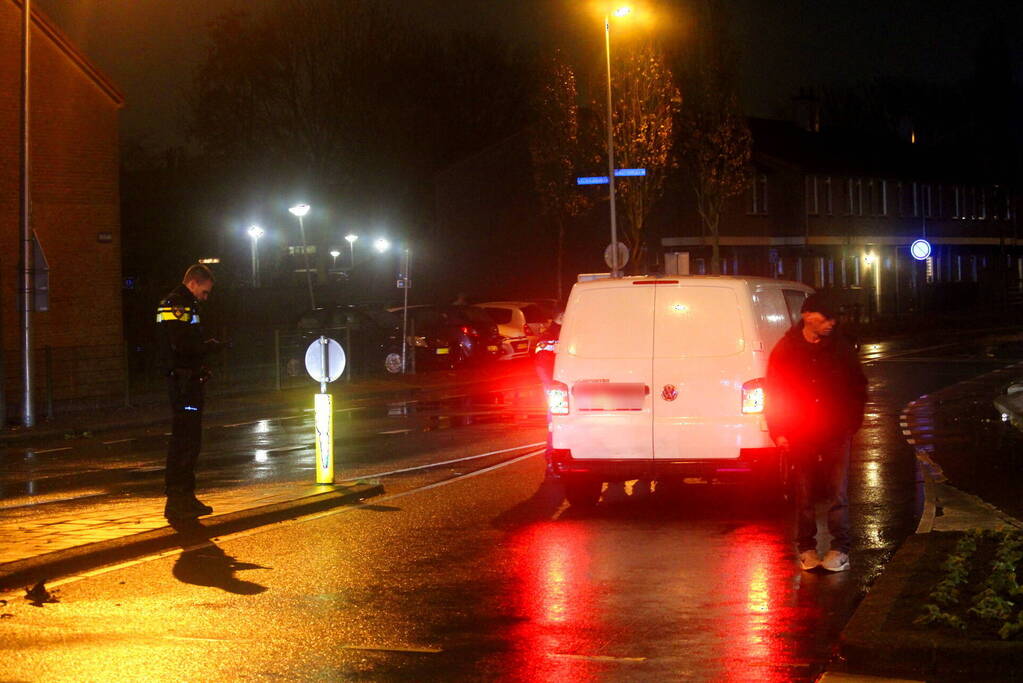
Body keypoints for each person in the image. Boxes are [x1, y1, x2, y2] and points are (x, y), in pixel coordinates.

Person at [765, 292, 867, 572]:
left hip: (835, 430)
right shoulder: (787, 349)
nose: (831, 323)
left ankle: (840, 549)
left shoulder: (841, 348)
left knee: (837, 493)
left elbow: (858, 387)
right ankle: (807, 548)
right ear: (807, 316)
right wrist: (779, 430)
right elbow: (774, 391)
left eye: (834, 318)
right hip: (801, 432)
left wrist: (850, 423)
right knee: (804, 493)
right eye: (826, 317)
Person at [156, 264, 226, 521]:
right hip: (183, 381)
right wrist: (207, 348)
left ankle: (186, 496)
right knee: (185, 440)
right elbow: (181, 344)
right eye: (204, 292)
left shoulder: (186, 304)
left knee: (190, 440)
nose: (205, 297)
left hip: (188, 378)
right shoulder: (176, 304)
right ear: (194, 283)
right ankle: (177, 499)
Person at [534, 311, 563, 477]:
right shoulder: (549, 336)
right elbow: (541, 364)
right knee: (555, 422)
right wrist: (549, 386)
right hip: (556, 387)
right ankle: (552, 460)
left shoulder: (569, 332)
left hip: (565, 385)